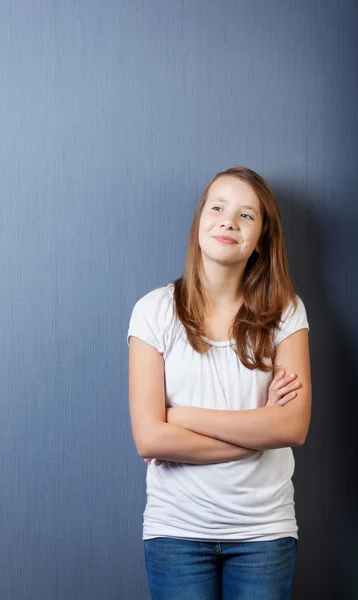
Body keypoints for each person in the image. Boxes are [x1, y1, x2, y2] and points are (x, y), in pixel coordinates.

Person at [127, 167, 311, 600]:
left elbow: (292, 428)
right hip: (176, 534)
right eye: (218, 207)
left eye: (247, 215)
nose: (229, 221)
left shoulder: (286, 312)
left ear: (262, 238)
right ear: (200, 223)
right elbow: (150, 438)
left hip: (264, 532)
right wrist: (257, 431)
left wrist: (182, 417)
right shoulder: (153, 312)